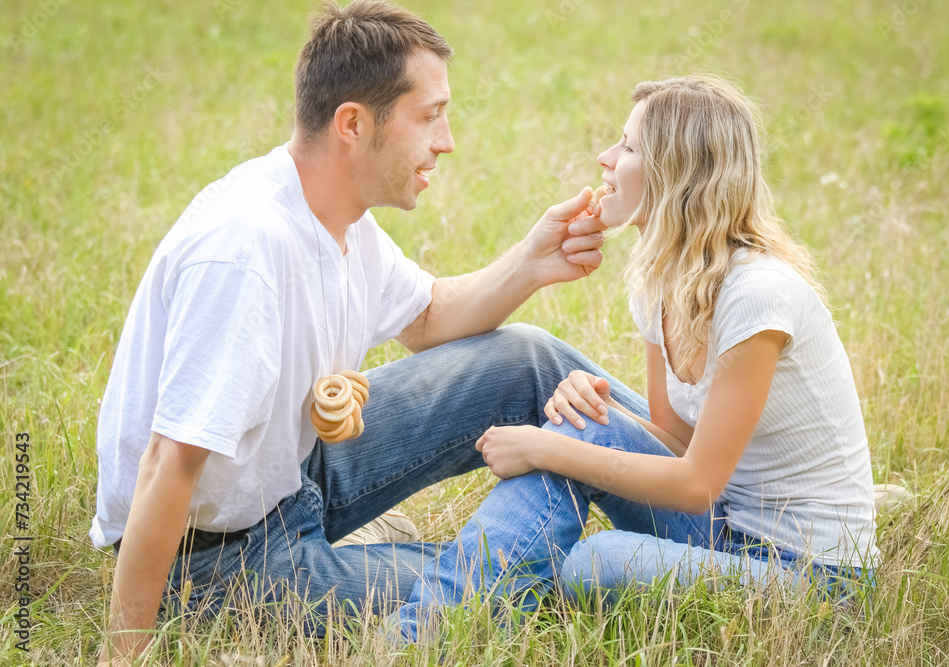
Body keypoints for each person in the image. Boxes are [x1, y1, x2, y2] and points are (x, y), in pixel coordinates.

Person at [92, 1, 619, 663]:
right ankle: (641, 557)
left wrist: (532, 261)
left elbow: (428, 317)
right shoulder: (247, 249)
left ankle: (696, 496)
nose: (447, 139)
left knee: (527, 359)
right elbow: (169, 462)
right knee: (517, 585)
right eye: (429, 116)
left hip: (294, 472)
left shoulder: (337, 217)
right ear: (353, 124)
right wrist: (125, 652)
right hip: (214, 561)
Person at [389, 75, 880, 642]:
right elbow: (677, 445)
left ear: (676, 172)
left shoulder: (758, 293)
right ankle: (425, 636)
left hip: (811, 581)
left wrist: (549, 446)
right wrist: (595, 412)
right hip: (722, 531)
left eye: (626, 147)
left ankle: (433, 630)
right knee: (585, 421)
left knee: (595, 562)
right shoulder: (660, 282)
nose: (604, 157)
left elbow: (695, 484)